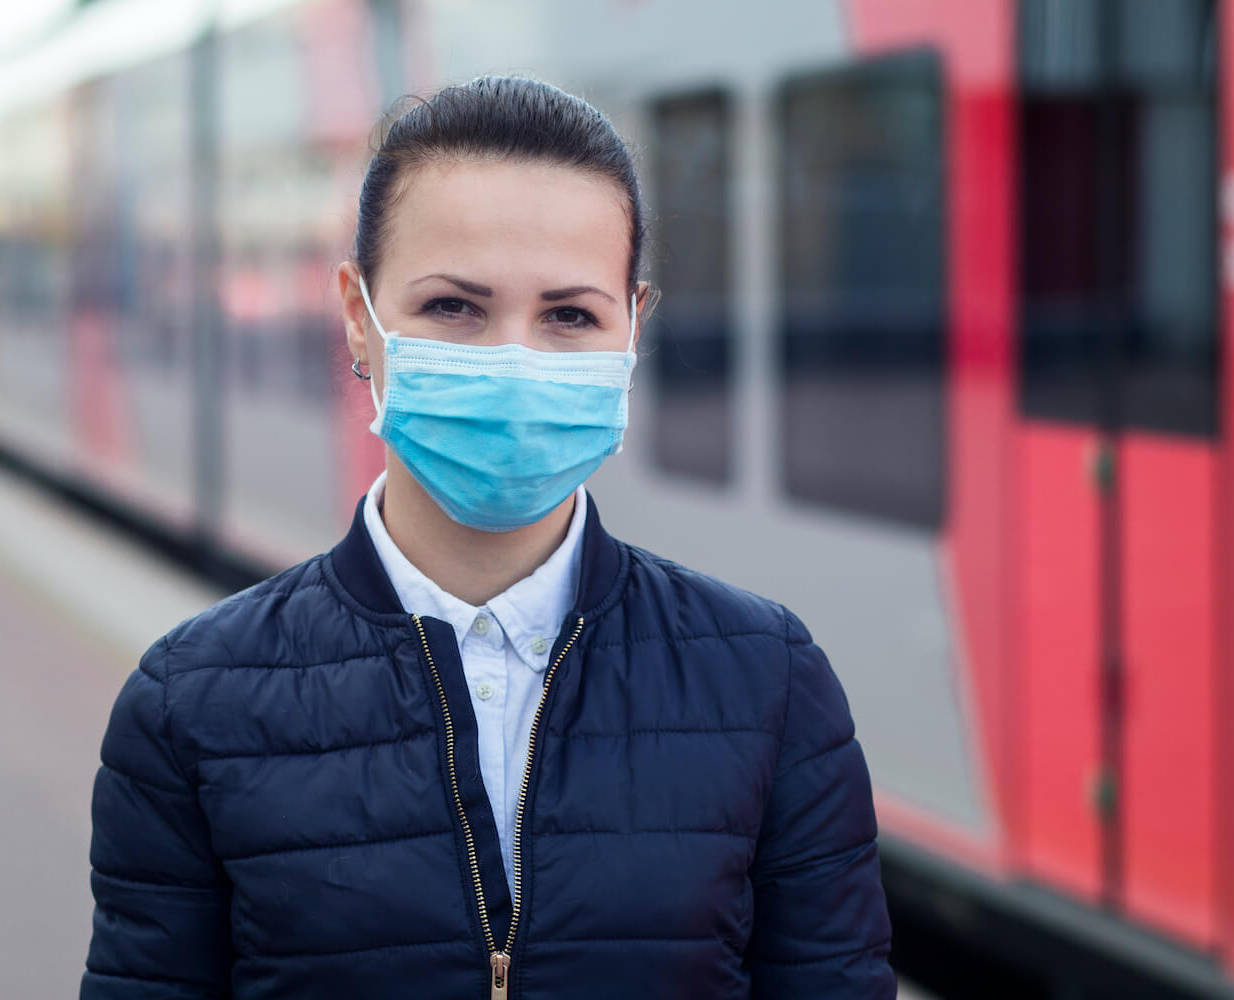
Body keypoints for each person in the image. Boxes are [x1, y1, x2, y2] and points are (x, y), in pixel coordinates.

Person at [80, 75, 895, 999]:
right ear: (360, 317)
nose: (516, 359)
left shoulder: (770, 681)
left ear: (635, 325)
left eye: (569, 315)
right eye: (454, 308)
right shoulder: (189, 708)